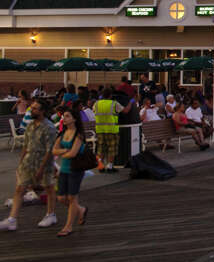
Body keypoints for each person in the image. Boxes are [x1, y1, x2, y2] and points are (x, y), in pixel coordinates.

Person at [0, 100, 58, 232]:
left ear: (42, 111)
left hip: (43, 163)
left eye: (35, 109)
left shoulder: (49, 127)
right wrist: (20, 163)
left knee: (49, 188)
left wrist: (41, 169)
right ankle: (12, 220)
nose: (31, 110)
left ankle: (51, 214)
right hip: (28, 162)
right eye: (31, 108)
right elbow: (26, 145)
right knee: (20, 189)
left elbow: (50, 150)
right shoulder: (31, 125)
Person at [51, 108, 88, 237]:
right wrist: (64, 151)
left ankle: (68, 226)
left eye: (67, 116)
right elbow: (54, 151)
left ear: (74, 119)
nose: (64, 118)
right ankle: (81, 210)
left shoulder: (79, 135)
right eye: (64, 116)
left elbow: (73, 153)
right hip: (64, 169)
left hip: (75, 169)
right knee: (61, 198)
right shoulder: (62, 134)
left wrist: (62, 151)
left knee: (72, 197)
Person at [94, 89, 125, 173]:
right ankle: (109, 166)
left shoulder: (96, 104)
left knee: (101, 148)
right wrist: (130, 102)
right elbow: (125, 111)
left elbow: (94, 111)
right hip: (112, 130)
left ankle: (101, 166)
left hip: (100, 130)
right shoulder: (114, 104)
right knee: (112, 148)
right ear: (110, 95)